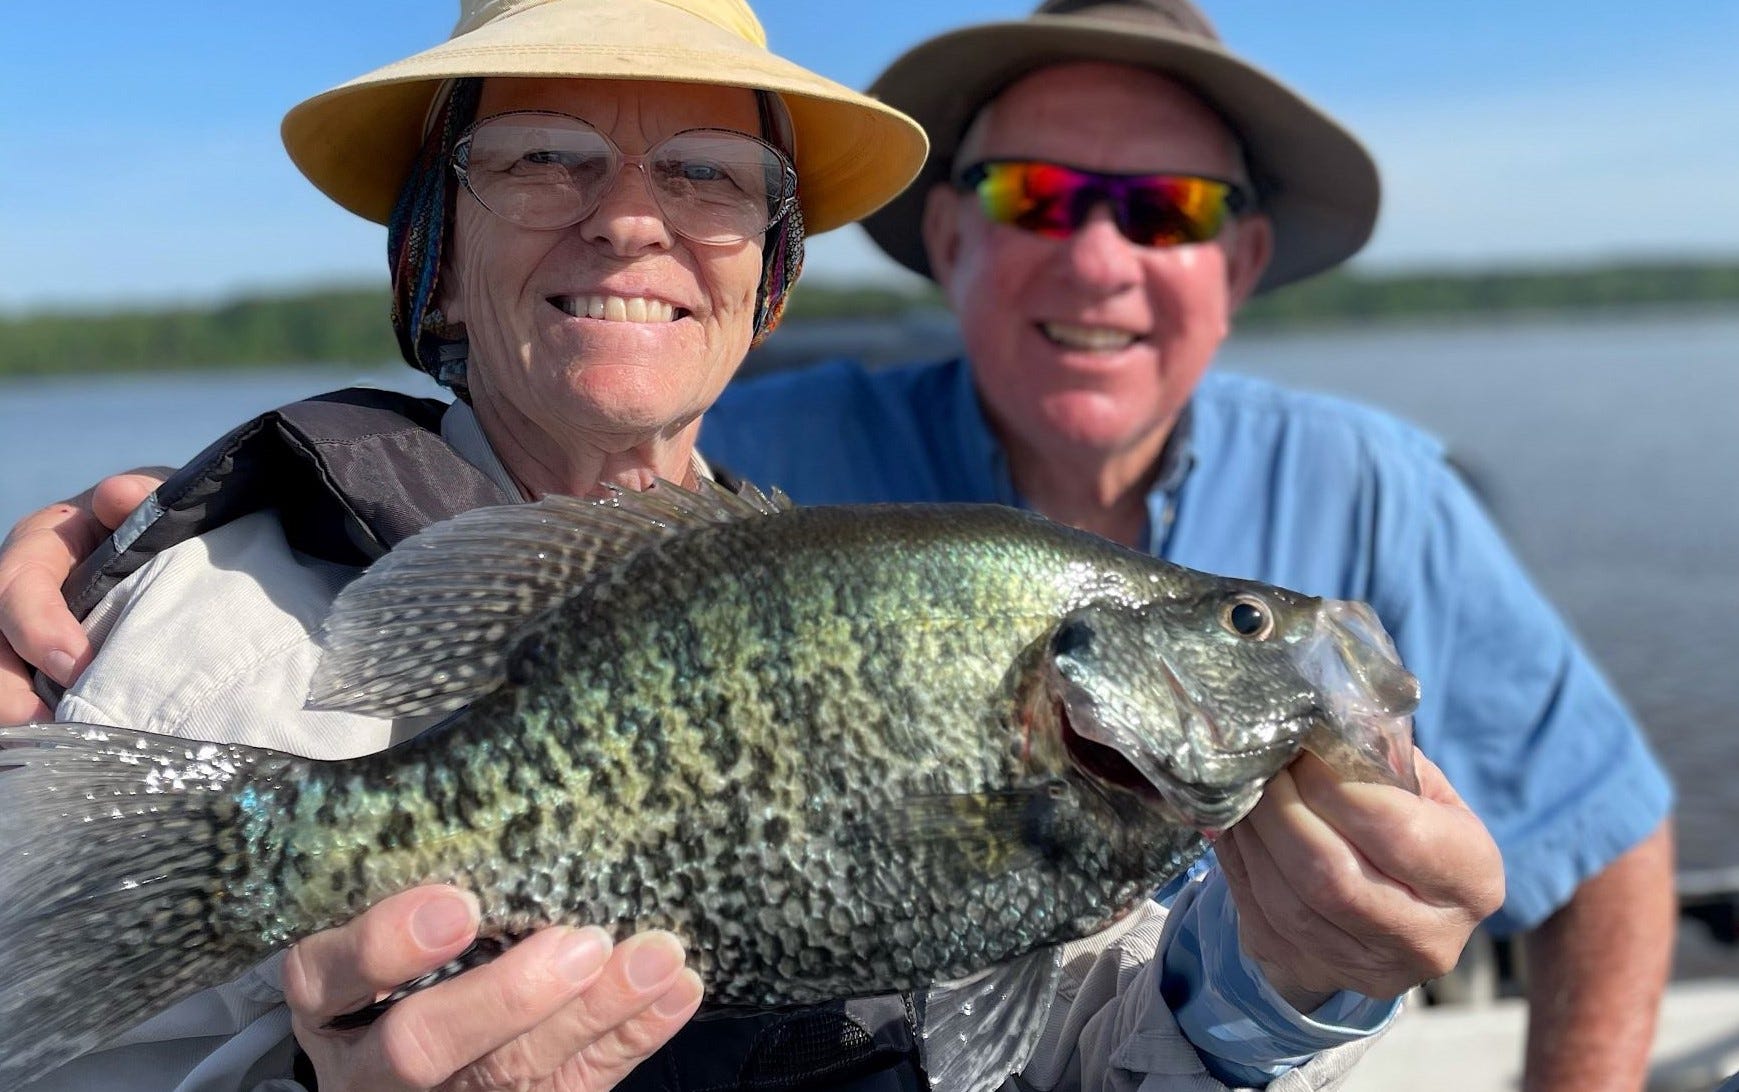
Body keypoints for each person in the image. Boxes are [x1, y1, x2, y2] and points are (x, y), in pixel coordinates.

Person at [0, 0, 1505, 1090]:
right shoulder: (197, 631)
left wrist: (1286, 983)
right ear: (432, 250)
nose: (629, 222)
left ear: (769, 279)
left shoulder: (853, 577)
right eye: (539, 159)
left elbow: (1060, 1048)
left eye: (710, 175)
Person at [686, 3, 1674, 1091]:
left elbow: (1605, 845)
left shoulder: (1371, 493)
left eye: (1165, 209)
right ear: (949, 237)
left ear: (1238, 262)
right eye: (1036, 196)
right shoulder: (739, 450)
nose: (1098, 259)